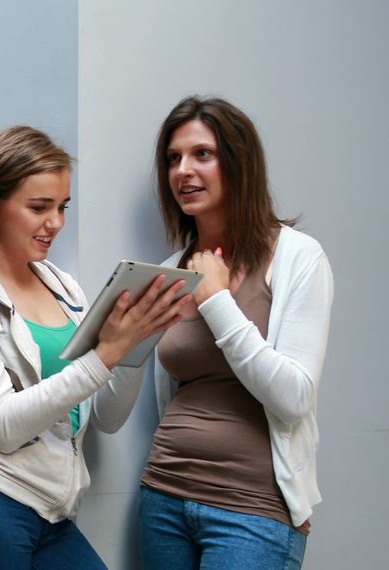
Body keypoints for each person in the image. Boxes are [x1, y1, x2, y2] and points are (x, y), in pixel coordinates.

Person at [0, 126, 189, 569]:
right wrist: (105, 356)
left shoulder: (63, 288)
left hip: (51, 509)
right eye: (39, 207)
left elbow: (106, 417)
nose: (56, 222)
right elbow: (2, 425)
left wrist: (135, 345)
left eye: (62, 207)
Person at [135, 96, 333, 569]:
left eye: (203, 154)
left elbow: (294, 397)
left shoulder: (299, 257)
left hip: (256, 510)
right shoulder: (167, 272)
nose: (183, 170)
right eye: (173, 158)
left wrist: (219, 302)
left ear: (239, 162)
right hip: (163, 494)